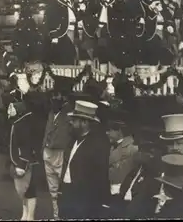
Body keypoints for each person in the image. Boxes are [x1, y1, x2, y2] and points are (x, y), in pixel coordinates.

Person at [58, 100, 111, 219]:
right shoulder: (72, 140)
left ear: (85, 122)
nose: (70, 122)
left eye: (74, 120)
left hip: (84, 201)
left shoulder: (98, 144)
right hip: (67, 196)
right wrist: (61, 192)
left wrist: (101, 203)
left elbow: (101, 175)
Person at [42, 77, 73, 220]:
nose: (54, 98)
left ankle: (65, 214)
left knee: (64, 186)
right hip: (48, 152)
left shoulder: (69, 113)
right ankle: (56, 216)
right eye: (52, 96)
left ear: (64, 97)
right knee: (52, 188)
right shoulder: (50, 113)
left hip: (61, 152)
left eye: (57, 95)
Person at [8, 101, 39, 221]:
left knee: (30, 190)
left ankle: (30, 216)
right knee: (23, 192)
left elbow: (27, 145)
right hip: (19, 162)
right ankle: (25, 213)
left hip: (26, 163)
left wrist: (22, 163)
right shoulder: (17, 123)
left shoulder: (23, 125)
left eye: (12, 109)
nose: (9, 111)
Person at [106, 115, 139, 197]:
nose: (107, 133)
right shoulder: (114, 146)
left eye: (110, 130)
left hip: (122, 193)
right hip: (111, 190)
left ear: (119, 131)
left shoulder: (132, 148)